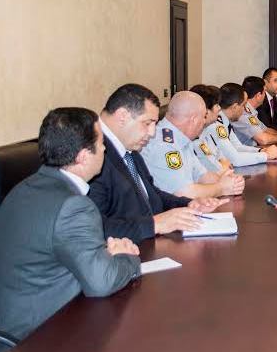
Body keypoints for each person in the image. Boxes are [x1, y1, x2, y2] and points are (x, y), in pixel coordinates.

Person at [0, 108, 140, 352]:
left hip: (11, 324)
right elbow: (101, 282)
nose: (104, 149)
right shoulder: (73, 206)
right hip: (36, 337)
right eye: (101, 143)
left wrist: (103, 256)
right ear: (83, 157)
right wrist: (127, 257)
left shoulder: (23, 188)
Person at [90, 84, 225, 244]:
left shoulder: (128, 146)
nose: (152, 132)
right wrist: (154, 224)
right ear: (122, 116)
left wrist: (189, 204)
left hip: (147, 243)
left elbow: (150, 193)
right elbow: (93, 227)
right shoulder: (91, 152)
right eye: (147, 123)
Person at [140, 91, 246, 198]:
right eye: (204, 117)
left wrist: (230, 181)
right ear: (194, 119)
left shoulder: (182, 139)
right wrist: (221, 188)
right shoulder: (163, 145)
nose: (204, 122)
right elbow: (184, 193)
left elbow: (202, 176)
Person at [207, 82, 277, 166]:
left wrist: (260, 151)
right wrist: (266, 155)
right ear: (235, 107)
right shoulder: (217, 125)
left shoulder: (225, 122)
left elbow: (237, 147)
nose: (245, 109)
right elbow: (235, 160)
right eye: (243, 105)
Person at [231, 77, 277, 147]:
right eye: (264, 92)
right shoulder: (244, 114)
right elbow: (263, 140)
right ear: (258, 95)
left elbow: (265, 129)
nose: (265, 95)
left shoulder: (251, 111)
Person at [190, 84, 232, 172]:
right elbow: (217, 169)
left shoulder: (206, 131)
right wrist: (222, 166)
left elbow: (223, 159)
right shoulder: (194, 138)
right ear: (206, 111)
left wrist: (222, 164)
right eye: (216, 105)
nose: (219, 108)